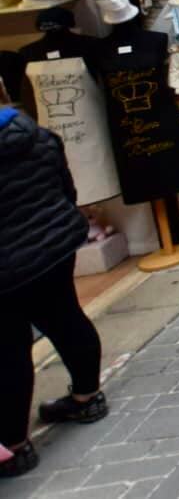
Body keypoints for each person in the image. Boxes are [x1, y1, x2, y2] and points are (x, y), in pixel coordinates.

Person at [0, 106, 108, 478]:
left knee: (9, 351)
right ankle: (87, 396)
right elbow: (66, 187)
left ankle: (14, 444)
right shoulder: (38, 135)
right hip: (54, 246)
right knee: (66, 318)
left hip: (7, 267)